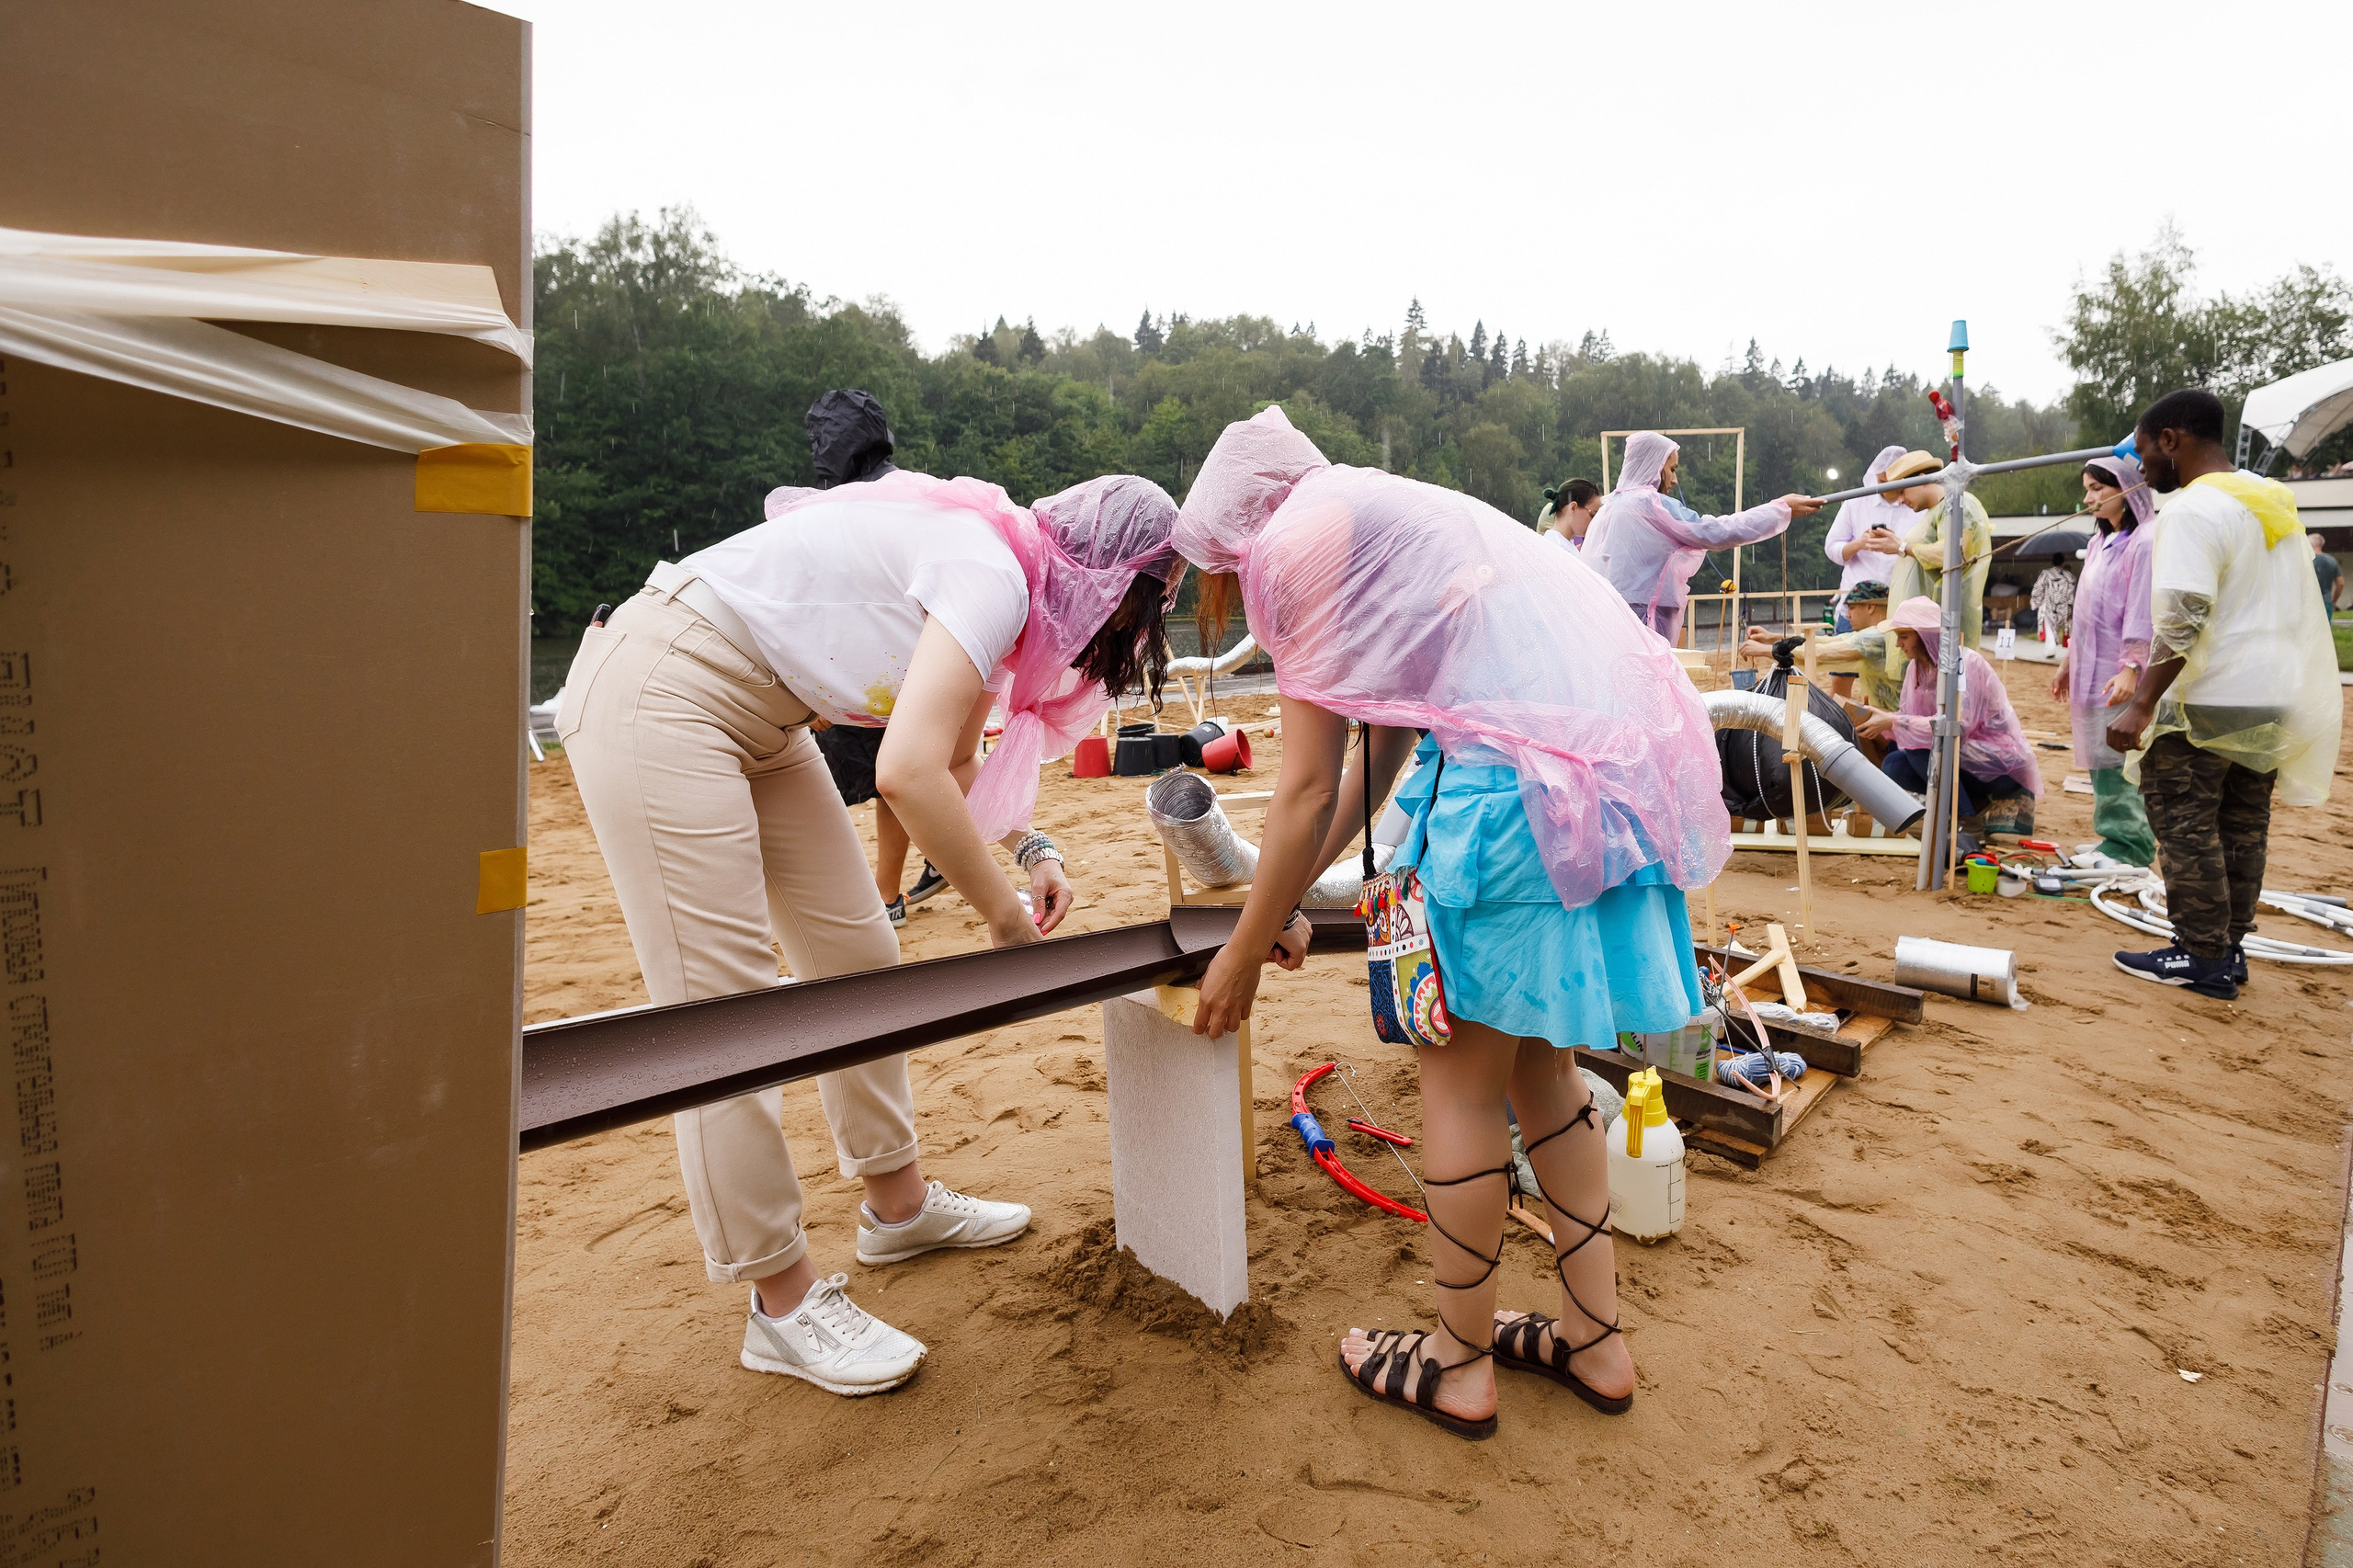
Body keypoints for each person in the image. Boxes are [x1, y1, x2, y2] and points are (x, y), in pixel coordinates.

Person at [557, 462, 1183, 1394]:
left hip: (764, 718)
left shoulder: (1007, 583)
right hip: (664, 687)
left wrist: (1030, 849)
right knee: (721, 1014)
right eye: (1143, 607)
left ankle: (897, 1206)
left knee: (858, 953)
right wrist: (1004, 920)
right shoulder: (993, 573)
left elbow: (959, 757)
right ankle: (782, 1301)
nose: (1132, 633)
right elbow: (905, 773)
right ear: (1106, 580)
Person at [1173, 406, 1729, 1438]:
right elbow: (1377, 758)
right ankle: (1593, 1339)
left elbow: (1299, 789)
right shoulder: (1391, 519)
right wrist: (1288, 898)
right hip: (1591, 794)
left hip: (1506, 814)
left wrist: (1243, 948)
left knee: (1460, 1090)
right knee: (1543, 1074)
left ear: (1244, 531)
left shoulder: (1304, 546)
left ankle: (1457, 1360)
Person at [2107, 390, 2340, 1000]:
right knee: (2243, 825)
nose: (2139, 464)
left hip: (2207, 695)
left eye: (2142, 449)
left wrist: (2141, 702)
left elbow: (2184, 616)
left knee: (2186, 823)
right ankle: (2228, 949)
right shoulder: (2271, 506)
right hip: (2269, 693)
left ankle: (2200, 956)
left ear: (2172, 440)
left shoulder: (2192, 510)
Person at [787, 391, 950, 926]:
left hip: (892, 662)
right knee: (867, 781)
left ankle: (885, 894)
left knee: (892, 778)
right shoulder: (828, 508)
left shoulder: (901, 499)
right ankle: (883, 889)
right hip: (850, 664)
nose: (819, 451)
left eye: (823, 441)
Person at [1583, 431, 1823, 643]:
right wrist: (1779, 509)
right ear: (1654, 466)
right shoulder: (1649, 504)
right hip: (1642, 622)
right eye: (1672, 470)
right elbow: (1715, 531)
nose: (1675, 481)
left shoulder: (1607, 507)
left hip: (1604, 621)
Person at [1851, 596, 2043, 837]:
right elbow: (1909, 719)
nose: (1898, 644)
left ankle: (1966, 820)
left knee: (1921, 750)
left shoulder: (1964, 663)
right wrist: (1880, 720)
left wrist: (1894, 721)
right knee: (1893, 765)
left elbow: (1957, 727)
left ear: (1923, 635)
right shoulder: (1915, 668)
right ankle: (1970, 803)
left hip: (1997, 763)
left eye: (1904, 635)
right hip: (1956, 760)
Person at [2053, 456, 2157, 869]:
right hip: (2091, 666)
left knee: (2118, 756)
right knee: (2099, 752)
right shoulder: (2099, 542)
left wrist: (2132, 665)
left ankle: (2131, 846)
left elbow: (2141, 609)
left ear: (2128, 490)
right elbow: (2087, 610)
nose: (2089, 498)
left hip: (2120, 669)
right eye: (2087, 489)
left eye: (2098, 489)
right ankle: (2112, 836)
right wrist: (2068, 659)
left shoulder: (2144, 541)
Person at [1882, 450, 1995, 649]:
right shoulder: (1937, 512)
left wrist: (1902, 547)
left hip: (1947, 622)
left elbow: (1950, 554)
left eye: (1902, 491)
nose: (1900, 500)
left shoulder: (1958, 505)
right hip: (1930, 624)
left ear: (1922, 479)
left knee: (1949, 676)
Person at [1822, 444, 1910, 629]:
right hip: (1856, 608)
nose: (1885, 486)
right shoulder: (1856, 502)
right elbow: (1832, 548)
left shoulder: (1917, 505)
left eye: (1891, 481)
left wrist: (1899, 545)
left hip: (1900, 606)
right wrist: (1860, 543)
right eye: (1881, 481)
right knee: (1845, 656)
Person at [1536, 477, 1602, 552]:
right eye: (1593, 515)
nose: (1595, 521)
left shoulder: (1562, 544)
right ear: (1573, 508)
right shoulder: (1557, 548)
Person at [2313, 533, 2343, 612]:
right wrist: (2334, 601)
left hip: (2307, 603)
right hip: (2326, 602)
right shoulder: (2332, 560)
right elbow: (2341, 583)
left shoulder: (2305, 560)